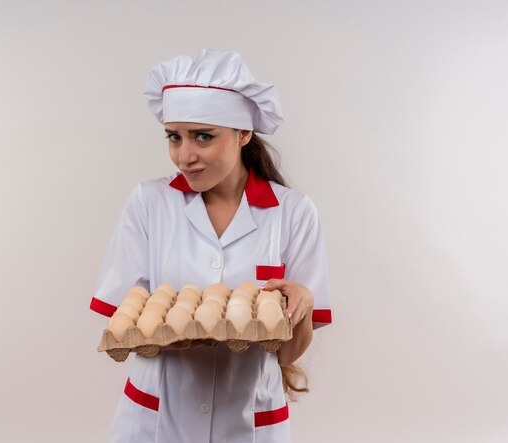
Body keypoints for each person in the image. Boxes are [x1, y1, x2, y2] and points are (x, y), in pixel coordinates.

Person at [90, 49, 332, 443]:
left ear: (244, 133)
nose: (185, 156)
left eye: (203, 136)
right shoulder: (149, 203)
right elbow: (126, 323)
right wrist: (176, 329)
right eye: (174, 136)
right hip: (155, 420)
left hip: (250, 421)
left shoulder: (293, 213)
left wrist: (301, 303)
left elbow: (286, 354)